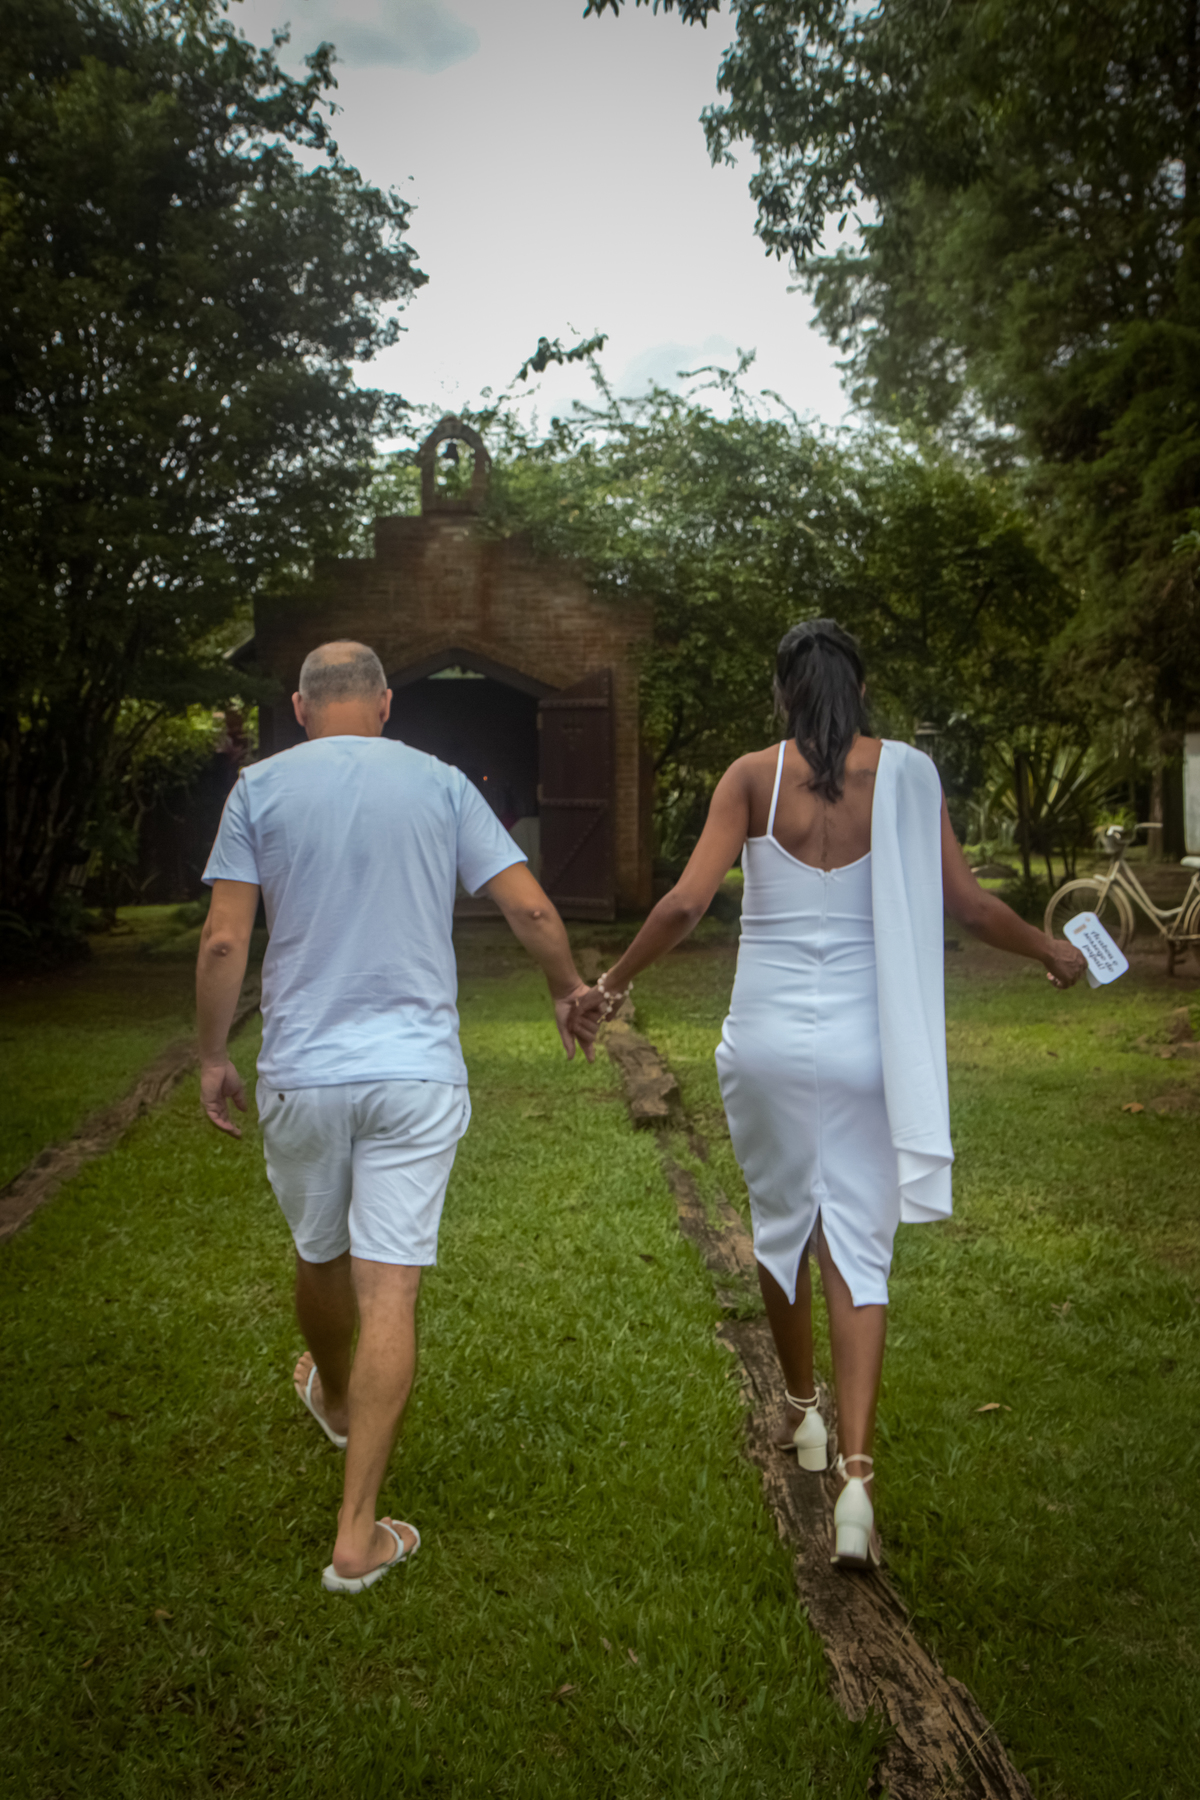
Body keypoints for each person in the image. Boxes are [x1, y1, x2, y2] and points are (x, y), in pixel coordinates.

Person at [571, 620, 1086, 1568]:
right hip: (869, 1048)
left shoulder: (751, 778)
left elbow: (683, 902)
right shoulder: (908, 776)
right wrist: (1049, 949)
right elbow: (970, 906)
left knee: (782, 1225)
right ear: (862, 688)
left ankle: (801, 1411)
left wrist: (610, 985)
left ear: (783, 693)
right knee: (857, 1245)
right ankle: (856, 1477)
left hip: (766, 1044)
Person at [195, 641, 597, 1594]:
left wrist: (211, 1054)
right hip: (416, 1074)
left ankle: (335, 1395)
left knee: (318, 1253)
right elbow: (533, 912)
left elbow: (222, 940)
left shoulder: (258, 788)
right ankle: (356, 1534)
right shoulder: (442, 783)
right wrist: (566, 987)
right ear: (384, 704)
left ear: (302, 708)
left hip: (303, 1071)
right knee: (390, 1293)